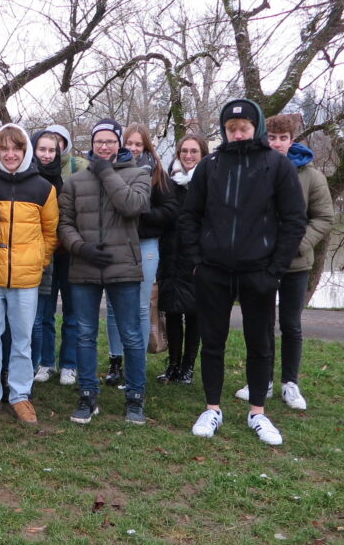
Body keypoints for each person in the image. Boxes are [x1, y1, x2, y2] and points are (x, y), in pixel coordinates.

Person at [179, 99, 306, 446]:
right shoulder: (210, 166)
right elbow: (190, 216)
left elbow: (294, 222)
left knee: (260, 343)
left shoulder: (277, 166)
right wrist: (196, 262)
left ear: (256, 128)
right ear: (224, 131)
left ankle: (258, 413)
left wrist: (275, 270)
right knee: (213, 341)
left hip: (259, 272)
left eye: (244, 128)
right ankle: (212, 407)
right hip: (213, 271)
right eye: (231, 129)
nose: (237, 134)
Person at [231, 114, 333, 409]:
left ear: (292, 140)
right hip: (260, 262)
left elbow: (324, 218)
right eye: (271, 138)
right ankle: (262, 381)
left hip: (295, 263)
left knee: (290, 324)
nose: (277, 144)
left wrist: (297, 245)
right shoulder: (253, 170)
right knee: (262, 324)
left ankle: (291, 383)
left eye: (283, 138)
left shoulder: (311, 176)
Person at [58, 118, 151, 425]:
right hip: (85, 265)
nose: (104, 146)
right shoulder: (74, 181)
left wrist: (105, 171)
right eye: (99, 141)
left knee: (131, 336)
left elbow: (131, 206)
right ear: (93, 143)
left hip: (123, 267)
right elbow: (64, 223)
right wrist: (80, 247)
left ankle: (135, 397)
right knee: (84, 334)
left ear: (119, 143)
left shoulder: (139, 174)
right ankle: (87, 394)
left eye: (111, 141)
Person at [0, 124, 59, 426]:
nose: (10, 154)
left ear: (25, 151)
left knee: (22, 340)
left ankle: (20, 395)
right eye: (4, 148)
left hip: (25, 279)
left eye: (16, 148)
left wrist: (37, 262)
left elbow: (50, 233)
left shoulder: (43, 188)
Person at [102, 124, 177, 388]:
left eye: (139, 144)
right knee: (112, 307)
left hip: (145, 245)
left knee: (143, 306)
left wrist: (141, 215)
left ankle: (138, 364)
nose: (133, 148)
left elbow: (169, 211)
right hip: (116, 245)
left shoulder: (157, 174)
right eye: (129, 143)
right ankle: (116, 360)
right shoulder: (112, 169)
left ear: (146, 147)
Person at [156, 134, 210, 384]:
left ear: (203, 154)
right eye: (184, 151)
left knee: (195, 314)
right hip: (170, 256)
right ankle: (173, 365)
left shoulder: (209, 181)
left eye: (194, 152)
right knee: (173, 312)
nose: (188, 156)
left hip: (198, 257)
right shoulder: (168, 183)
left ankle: (188, 367)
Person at [29, 127, 67, 385]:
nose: (46, 154)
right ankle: (37, 363)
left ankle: (48, 362)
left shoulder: (61, 181)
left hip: (54, 252)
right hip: (28, 254)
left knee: (45, 311)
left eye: (51, 150)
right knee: (35, 316)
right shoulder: (25, 175)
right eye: (41, 149)